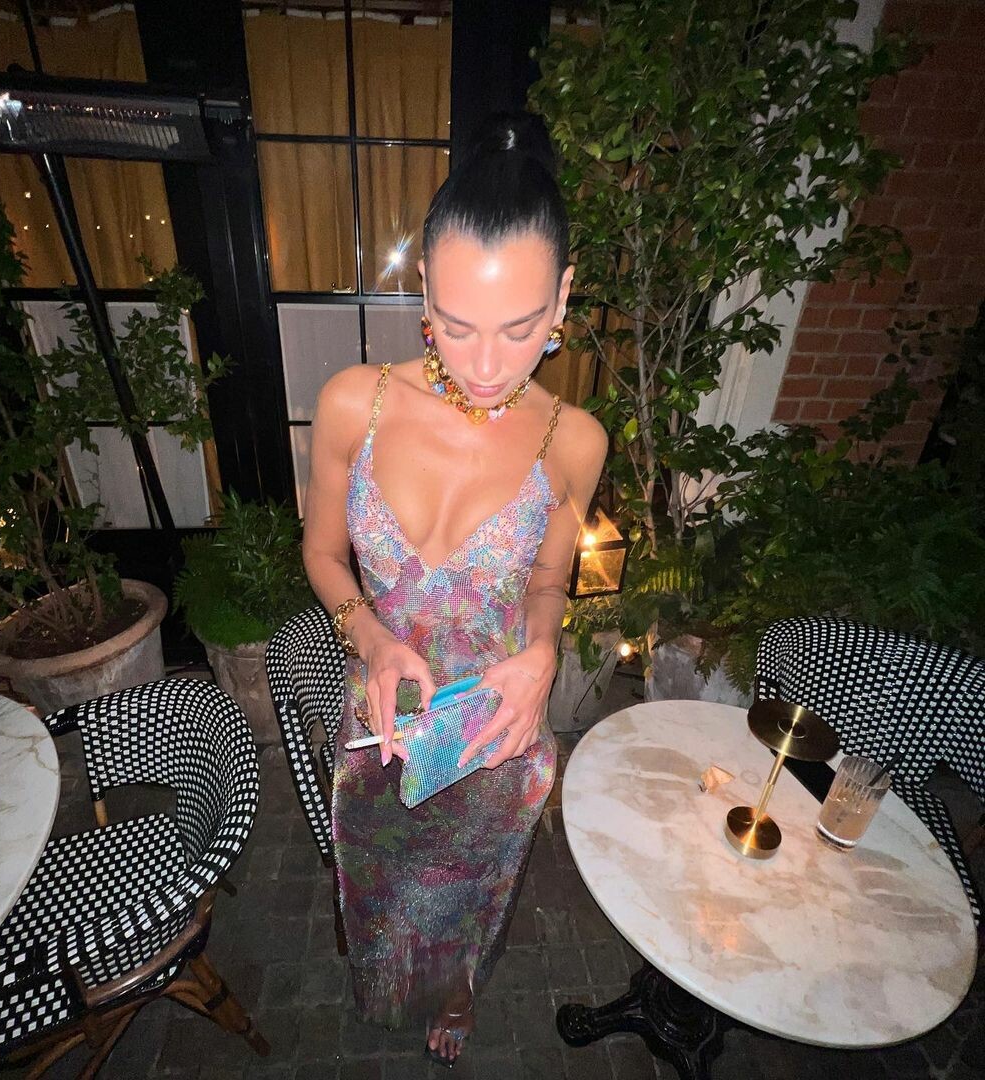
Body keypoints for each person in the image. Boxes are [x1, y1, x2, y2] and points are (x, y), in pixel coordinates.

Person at [301, 109, 609, 1067]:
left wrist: (544, 652)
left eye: (520, 330)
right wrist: (374, 640)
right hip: (383, 712)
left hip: (496, 728)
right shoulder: (355, 403)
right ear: (424, 293)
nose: (483, 365)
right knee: (382, 885)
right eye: (456, 324)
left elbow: (550, 579)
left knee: (475, 891)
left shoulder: (575, 440)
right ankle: (390, 973)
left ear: (562, 298)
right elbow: (322, 557)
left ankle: (459, 988)